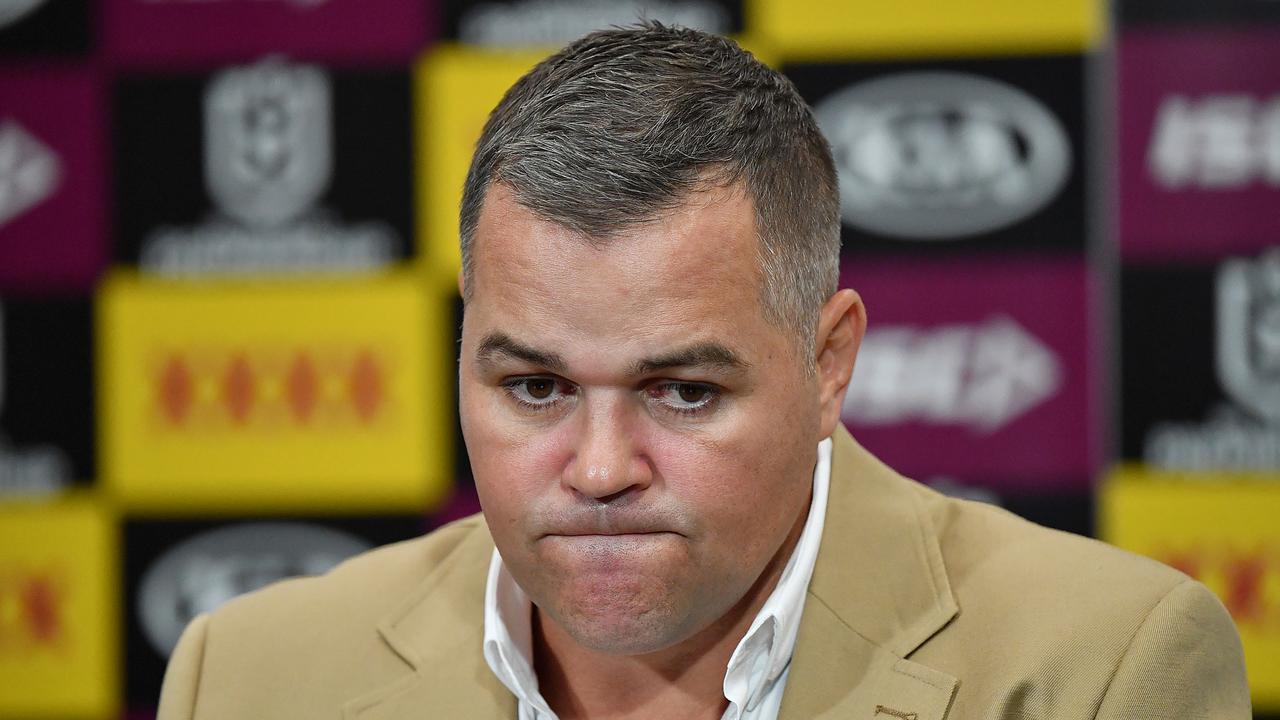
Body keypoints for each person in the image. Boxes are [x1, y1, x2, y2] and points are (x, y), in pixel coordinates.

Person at [157, 23, 1250, 720]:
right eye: (532, 387)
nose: (595, 470)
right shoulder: (248, 680)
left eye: (682, 391)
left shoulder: (1103, 673)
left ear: (828, 363)